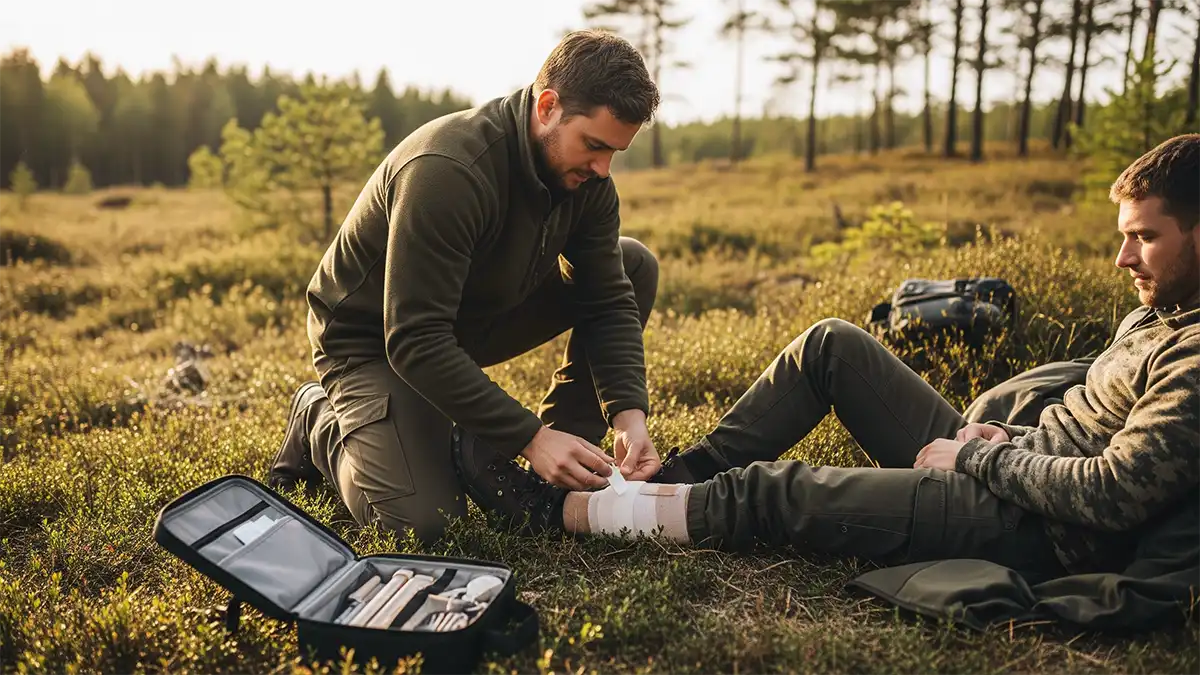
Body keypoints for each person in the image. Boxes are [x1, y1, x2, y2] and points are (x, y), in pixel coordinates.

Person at [455, 134, 1200, 581]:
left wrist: (979, 464)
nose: (1120, 256)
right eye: (1123, 234)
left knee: (773, 492)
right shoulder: (1163, 308)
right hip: (1014, 463)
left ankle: (565, 512)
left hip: (1038, 525)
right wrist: (1001, 439)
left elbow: (1113, 495)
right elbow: (1092, 431)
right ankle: (665, 480)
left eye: (1146, 237)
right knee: (829, 344)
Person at [268, 30, 665, 543]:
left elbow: (608, 299)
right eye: (593, 145)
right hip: (375, 342)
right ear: (547, 107)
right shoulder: (447, 171)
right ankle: (319, 420)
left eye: (615, 152)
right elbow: (414, 339)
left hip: (469, 319)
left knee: (632, 266)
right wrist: (528, 438)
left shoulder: (588, 182)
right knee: (425, 524)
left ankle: (570, 446)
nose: (603, 168)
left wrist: (630, 419)